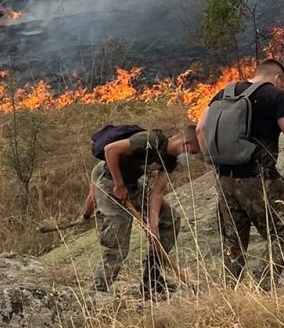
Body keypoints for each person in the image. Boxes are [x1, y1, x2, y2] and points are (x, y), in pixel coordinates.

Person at [197, 58, 284, 287]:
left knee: (234, 242)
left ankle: (230, 293)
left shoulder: (223, 93)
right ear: (277, 78)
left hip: (225, 180)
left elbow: (200, 128)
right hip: (259, 180)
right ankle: (265, 287)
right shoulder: (275, 96)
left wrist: (213, 164)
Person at [77, 125, 200, 299]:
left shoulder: (170, 160)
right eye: (194, 153)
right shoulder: (151, 140)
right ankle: (96, 292)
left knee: (169, 220)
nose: (193, 157)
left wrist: (153, 224)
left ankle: (151, 280)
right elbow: (110, 150)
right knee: (117, 245)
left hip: (133, 187)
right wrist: (119, 185)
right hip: (110, 186)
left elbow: (157, 192)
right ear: (186, 144)